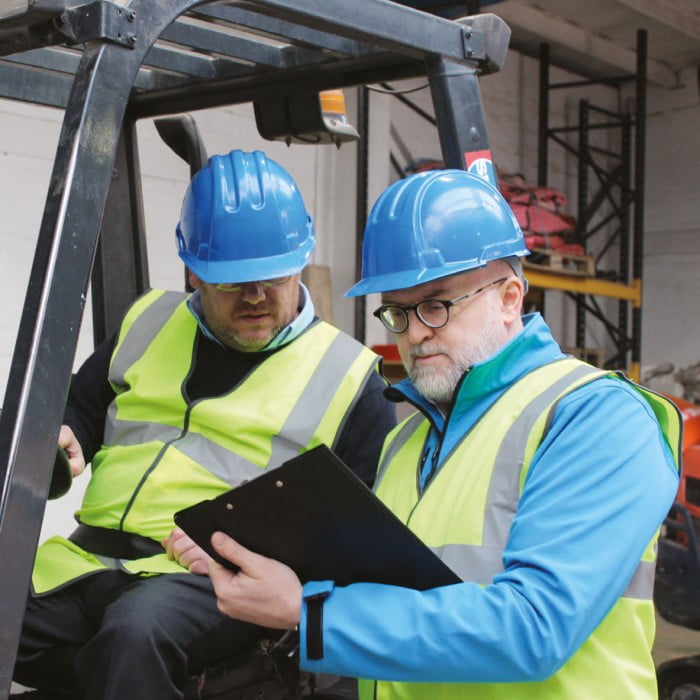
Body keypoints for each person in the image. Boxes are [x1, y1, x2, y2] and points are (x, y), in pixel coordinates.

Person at [205, 169, 682, 699]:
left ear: (508, 297)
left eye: (436, 306)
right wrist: (248, 558)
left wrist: (309, 613)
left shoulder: (595, 417)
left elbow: (535, 627)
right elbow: (387, 596)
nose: (413, 334)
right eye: (398, 312)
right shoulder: (407, 438)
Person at [13, 149, 397, 700]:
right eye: (234, 283)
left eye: (273, 276)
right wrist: (64, 434)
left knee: (135, 637)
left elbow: (365, 540)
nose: (257, 297)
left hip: (209, 581)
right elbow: (81, 409)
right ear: (193, 270)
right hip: (87, 557)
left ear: (301, 259)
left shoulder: (351, 378)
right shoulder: (147, 321)